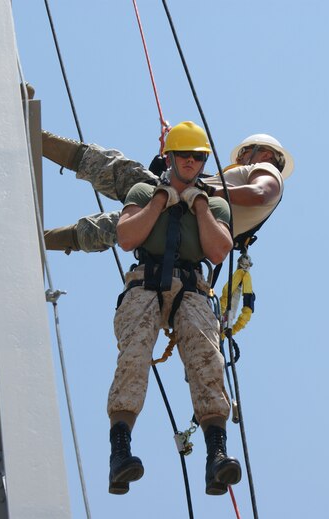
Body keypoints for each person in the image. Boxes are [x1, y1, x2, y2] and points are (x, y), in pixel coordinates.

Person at [102, 121, 241, 496]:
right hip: (146, 282)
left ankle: (216, 456)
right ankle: (120, 454)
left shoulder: (214, 204)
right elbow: (127, 237)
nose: (192, 163)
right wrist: (161, 200)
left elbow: (218, 250)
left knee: (207, 360)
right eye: (184, 156)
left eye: (198, 157)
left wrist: (199, 204)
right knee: (133, 357)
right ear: (170, 158)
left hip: (192, 289)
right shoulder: (144, 192)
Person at [41, 129, 294, 254]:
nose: (239, 158)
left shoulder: (264, 170)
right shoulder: (227, 181)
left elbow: (260, 193)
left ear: (265, 154)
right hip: (186, 224)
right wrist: (172, 160)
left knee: (117, 169)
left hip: (193, 215)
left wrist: (205, 189)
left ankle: (40, 139)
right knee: (109, 228)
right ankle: (41, 241)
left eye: (243, 153)